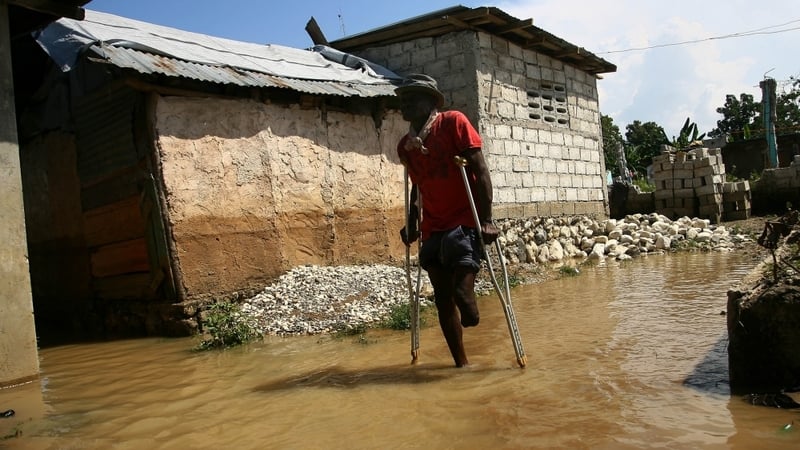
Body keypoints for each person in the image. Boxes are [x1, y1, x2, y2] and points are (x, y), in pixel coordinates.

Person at [395, 73, 499, 367]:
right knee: (442, 300)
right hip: (433, 227)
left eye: (411, 98)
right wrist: (412, 221)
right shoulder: (407, 146)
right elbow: (418, 185)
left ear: (430, 101)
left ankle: (471, 311)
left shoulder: (453, 122)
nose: (404, 105)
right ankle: (462, 366)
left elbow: (479, 168)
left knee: (464, 301)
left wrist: (487, 219)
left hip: (464, 222)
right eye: (402, 100)